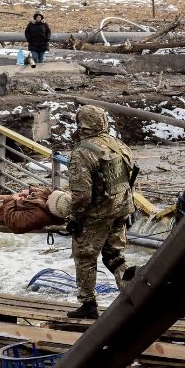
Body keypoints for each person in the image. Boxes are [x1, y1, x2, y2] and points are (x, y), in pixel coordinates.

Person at [66, 105, 136, 319]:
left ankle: (88, 304)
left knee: (85, 256)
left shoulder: (82, 153)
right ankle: (135, 295)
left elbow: (82, 195)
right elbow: (129, 177)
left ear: (82, 124)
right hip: (122, 208)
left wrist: (75, 218)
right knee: (114, 255)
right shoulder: (119, 145)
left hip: (97, 214)